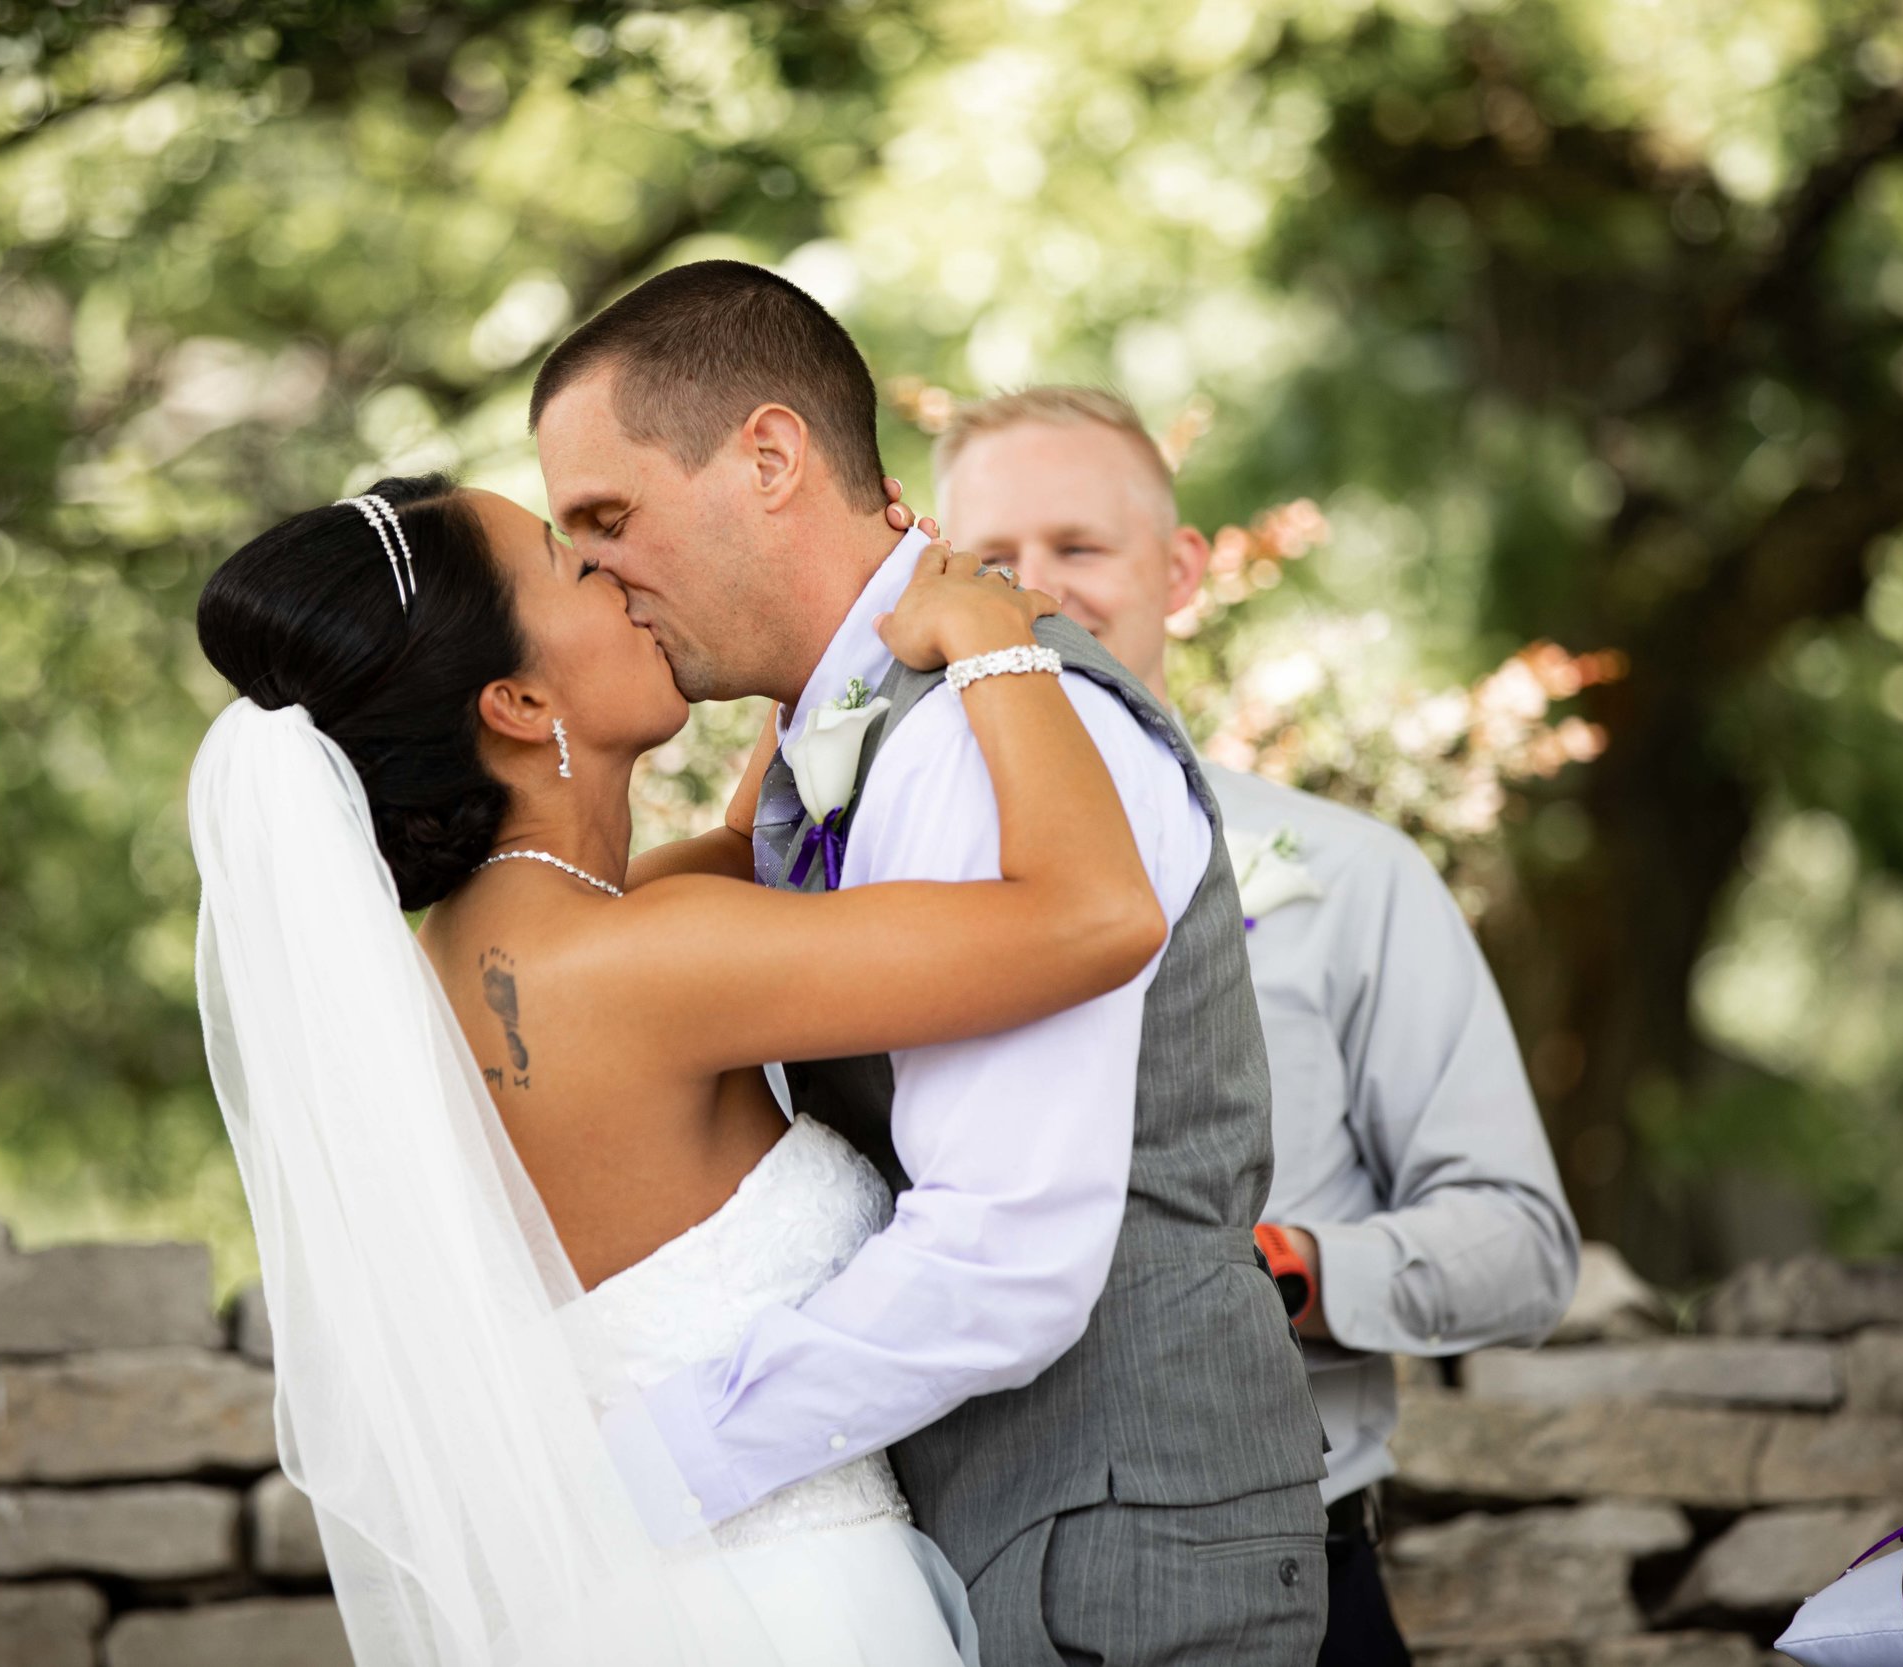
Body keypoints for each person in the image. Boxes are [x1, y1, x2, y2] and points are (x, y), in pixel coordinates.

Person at [191, 475, 1182, 1662]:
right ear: (514, 699)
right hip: (776, 1613)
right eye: (573, 562)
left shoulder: (508, 945)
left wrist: (813, 610)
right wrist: (992, 645)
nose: (618, 573)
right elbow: (1093, 919)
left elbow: (768, 830)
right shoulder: (630, 962)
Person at [531, 262, 1331, 1667]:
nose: (595, 571)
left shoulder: (981, 724)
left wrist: (633, 1476)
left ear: (770, 456)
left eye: (610, 515)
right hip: (1016, 1536)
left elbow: (1005, 1255)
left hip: (1115, 1551)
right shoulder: (856, 722)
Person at [932, 384, 1582, 1666]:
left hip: (1287, 1571)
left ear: (1178, 572)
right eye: (988, 561)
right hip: (952, 1584)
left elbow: (1520, 1240)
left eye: (1077, 548)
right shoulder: (874, 885)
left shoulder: (1352, 875)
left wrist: (1288, 1272)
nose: (1031, 591)